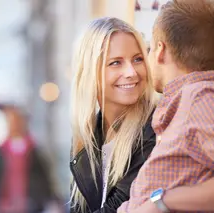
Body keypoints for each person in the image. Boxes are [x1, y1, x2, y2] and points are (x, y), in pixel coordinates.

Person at [117, 0, 214, 212]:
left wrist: (163, 201)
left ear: (160, 50)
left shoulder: (203, 98)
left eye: (149, 48)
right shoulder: (189, 101)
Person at [69, 17, 157, 213]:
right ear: (90, 72)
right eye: (116, 62)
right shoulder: (88, 136)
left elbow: (120, 206)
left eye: (137, 59)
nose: (131, 72)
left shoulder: (155, 126)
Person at [0, 103, 56, 213]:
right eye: (11, 121)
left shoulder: (34, 150)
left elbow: (44, 176)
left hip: (30, 204)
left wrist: (52, 199)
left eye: (17, 121)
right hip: (5, 205)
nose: (14, 124)